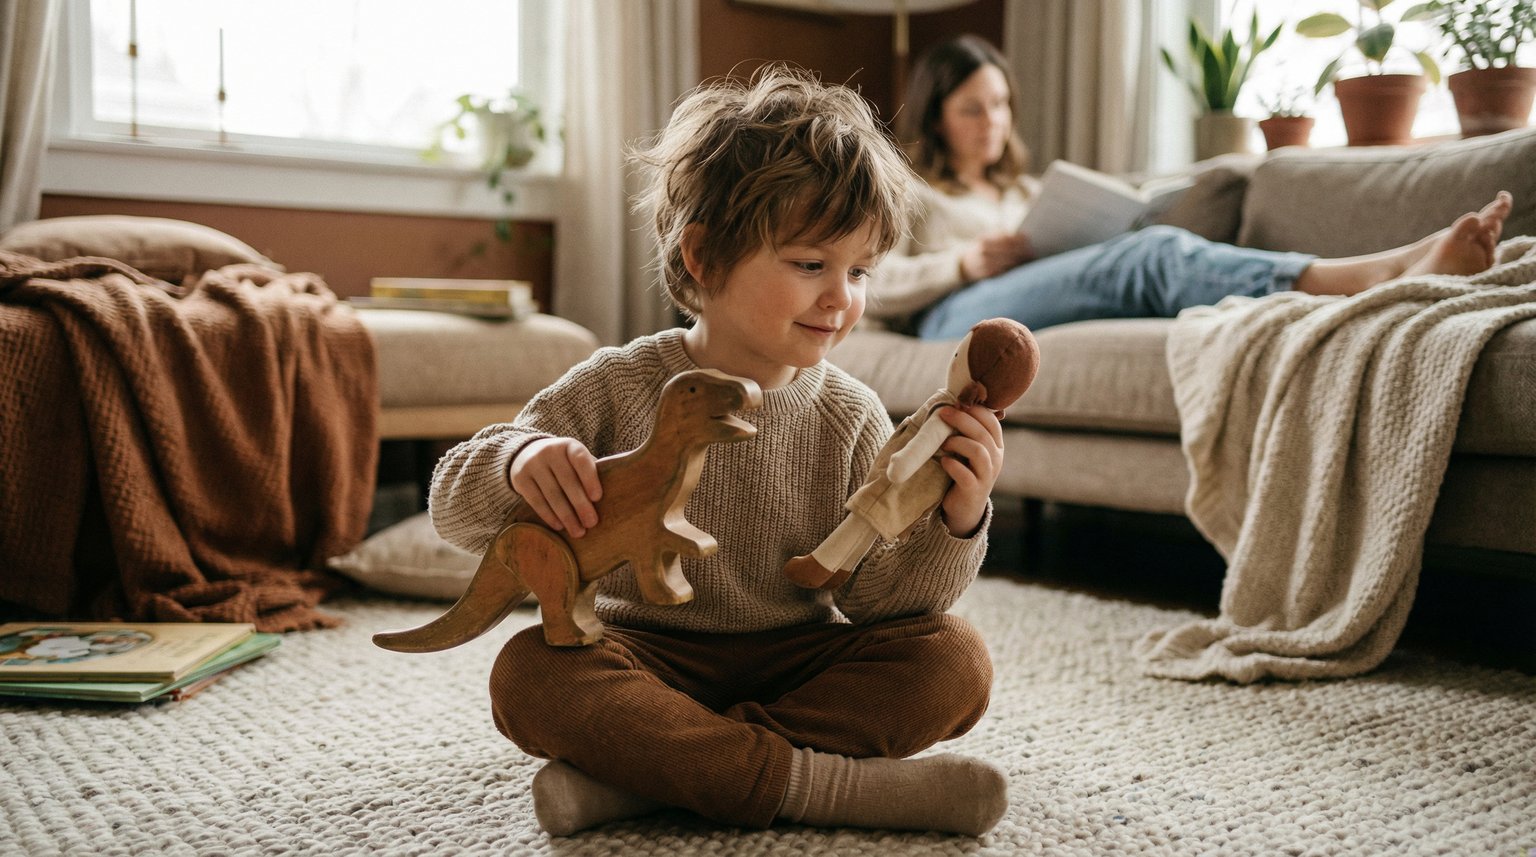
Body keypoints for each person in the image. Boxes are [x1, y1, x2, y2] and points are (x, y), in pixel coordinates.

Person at [429, 66, 1009, 837]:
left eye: (860, 270)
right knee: (527, 673)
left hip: (801, 657)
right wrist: (515, 460)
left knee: (956, 661)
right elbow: (456, 512)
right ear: (702, 258)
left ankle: (647, 780)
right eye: (811, 264)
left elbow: (884, 601)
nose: (843, 298)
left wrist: (959, 518)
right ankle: (820, 786)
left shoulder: (852, 413)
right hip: (640, 653)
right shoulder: (614, 384)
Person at [875, 34, 1514, 340]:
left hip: (1035, 299)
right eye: (972, 109)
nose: (993, 123)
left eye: (1001, 105)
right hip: (951, 319)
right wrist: (963, 261)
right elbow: (870, 285)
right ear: (935, 115)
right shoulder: (914, 195)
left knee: (1143, 248)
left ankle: (1387, 270)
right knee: (1154, 256)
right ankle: (1375, 275)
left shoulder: (1027, 190)